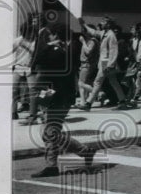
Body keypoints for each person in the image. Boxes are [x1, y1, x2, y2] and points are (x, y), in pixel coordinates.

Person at [29, 23, 97, 178]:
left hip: (58, 98)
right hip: (57, 96)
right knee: (51, 133)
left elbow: (36, 60)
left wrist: (46, 45)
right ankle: (84, 152)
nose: (47, 38)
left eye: (49, 35)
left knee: (50, 133)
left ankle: (53, 165)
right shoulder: (63, 50)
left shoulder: (57, 52)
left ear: (55, 35)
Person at [79, 16, 131, 110]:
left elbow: (113, 51)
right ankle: (122, 101)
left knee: (97, 82)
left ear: (108, 24)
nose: (101, 23)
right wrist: (84, 24)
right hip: (105, 63)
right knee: (113, 82)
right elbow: (94, 32)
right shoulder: (105, 33)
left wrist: (110, 65)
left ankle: (88, 103)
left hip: (106, 63)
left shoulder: (111, 35)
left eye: (103, 22)